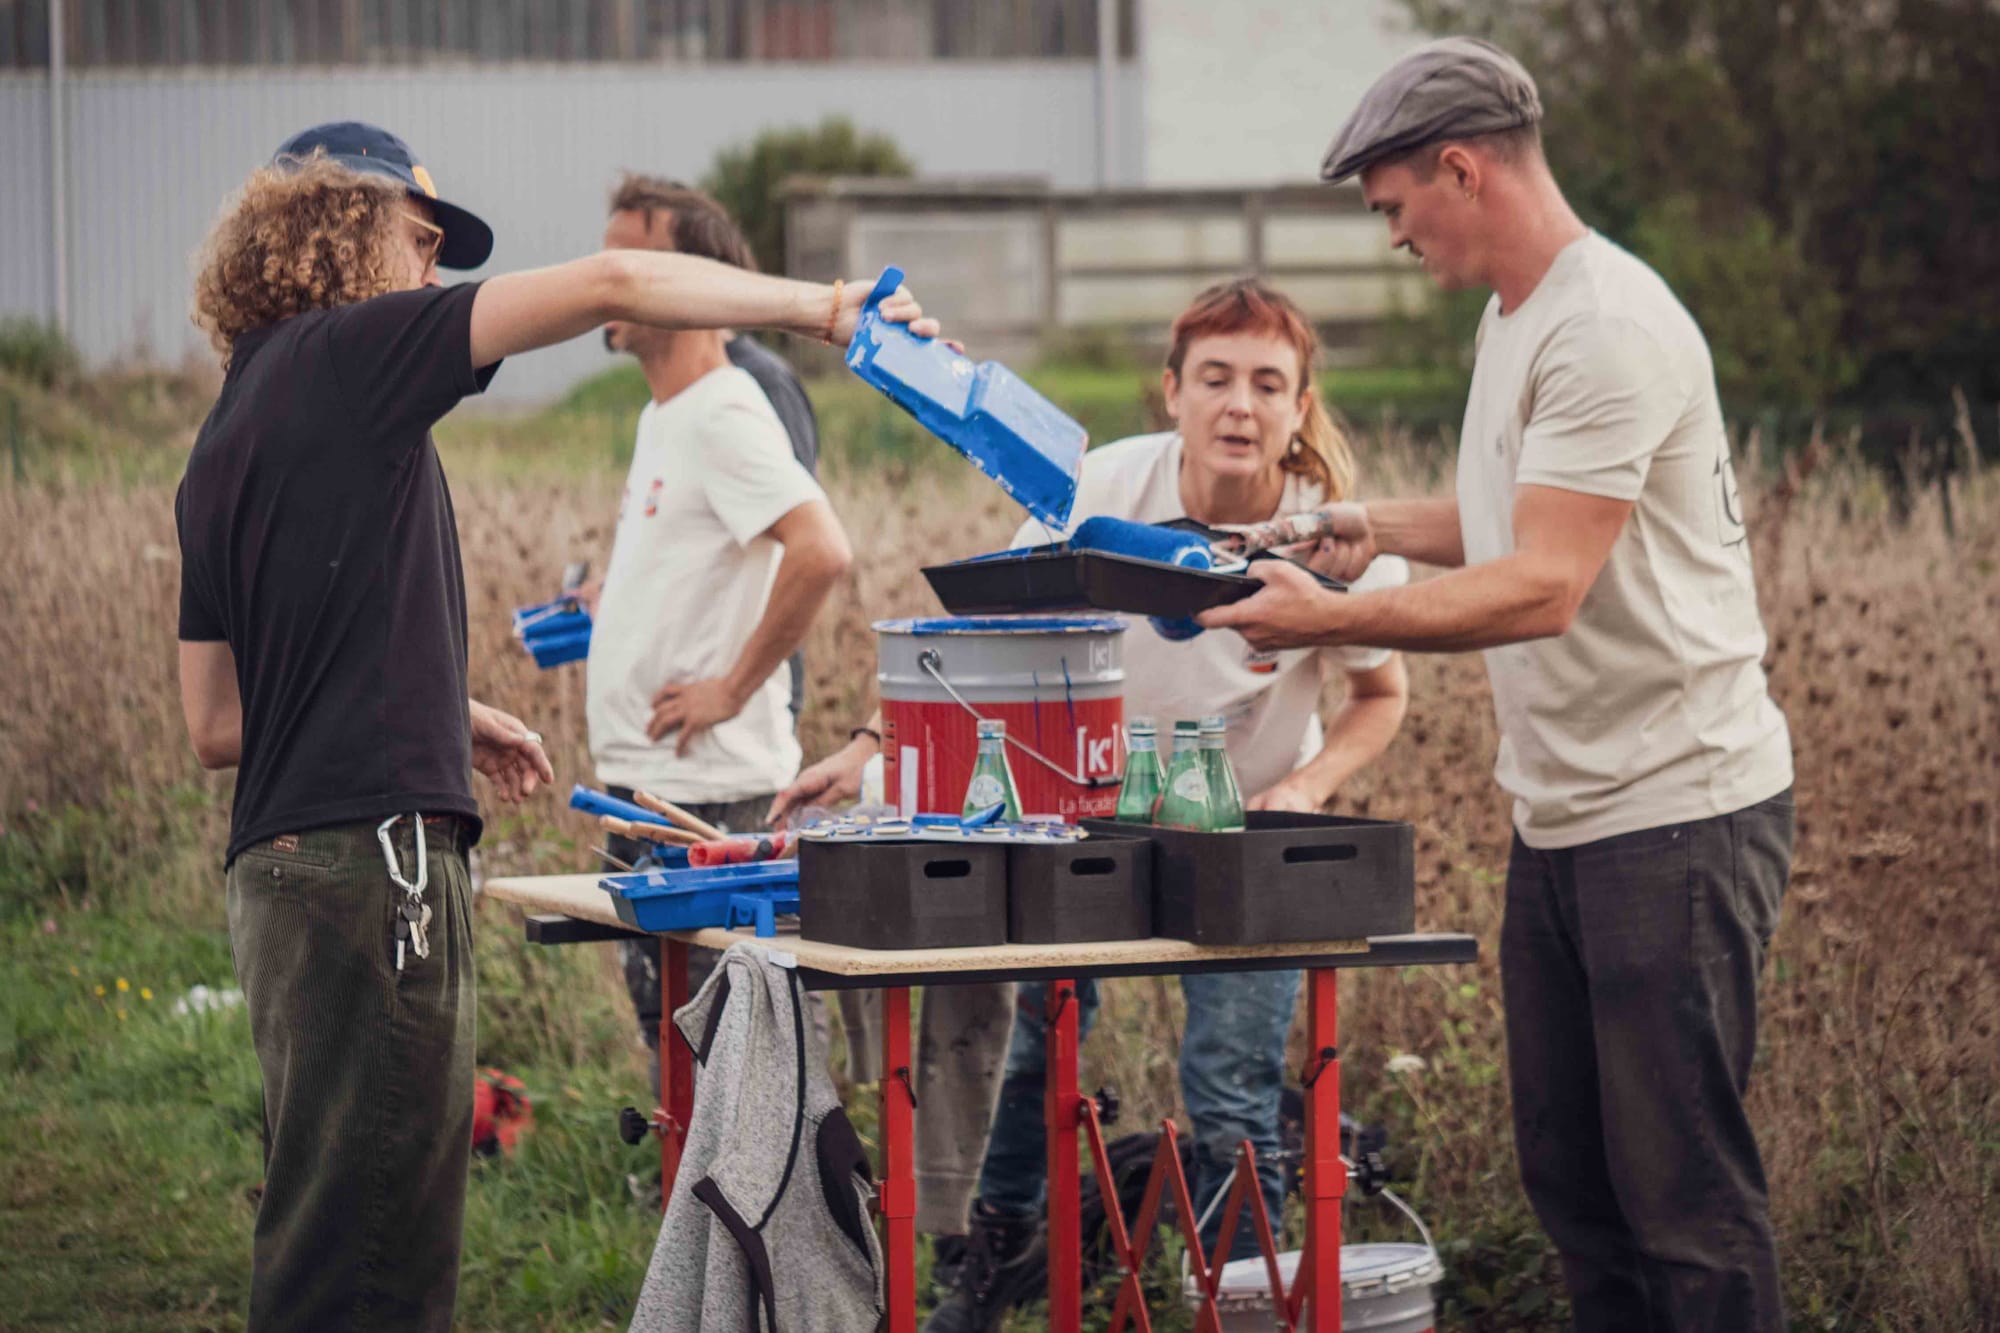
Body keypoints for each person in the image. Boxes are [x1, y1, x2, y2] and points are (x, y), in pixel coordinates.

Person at [174, 121, 935, 1331]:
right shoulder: (350, 356)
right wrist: (834, 306)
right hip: (377, 876)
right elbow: (615, 283)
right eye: (417, 243)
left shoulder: (228, 428)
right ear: (334, 232)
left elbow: (217, 721)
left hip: (278, 878)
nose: (431, 276)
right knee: (378, 1251)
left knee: (321, 1220)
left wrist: (431, 699)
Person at [1200, 38, 1796, 1333]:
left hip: (1676, 814)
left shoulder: (1607, 326)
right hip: (1568, 820)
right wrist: (1363, 527)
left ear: (1460, 168)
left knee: (1683, 1201)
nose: (1394, 233)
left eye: (1396, 205)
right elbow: (1515, 516)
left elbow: (1546, 582)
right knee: (1578, 1189)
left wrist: (1335, 620)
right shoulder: (1518, 314)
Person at [772, 278, 1412, 1332]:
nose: (1237, 406)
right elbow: (979, 649)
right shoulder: (1100, 488)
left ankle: (1234, 1301)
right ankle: (993, 1259)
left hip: (1237, 839)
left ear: (1299, 407)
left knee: (1229, 1085)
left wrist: (1303, 789)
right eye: (1214, 379)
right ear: (1171, 392)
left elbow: (1376, 698)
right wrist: (864, 746)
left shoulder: (1334, 542)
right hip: (1081, 825)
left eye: (1266, 384)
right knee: (1029, 1051)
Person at [580, 176, 849, 1072]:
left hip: (711, 797)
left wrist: (730, 690)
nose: (608, 277)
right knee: (688, 1078)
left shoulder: (729, 408)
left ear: (696, 287)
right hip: (652, 785)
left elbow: (821, 550)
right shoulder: (668, 414)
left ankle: (784, 1220)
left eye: (633, 259)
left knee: (751, 1077)